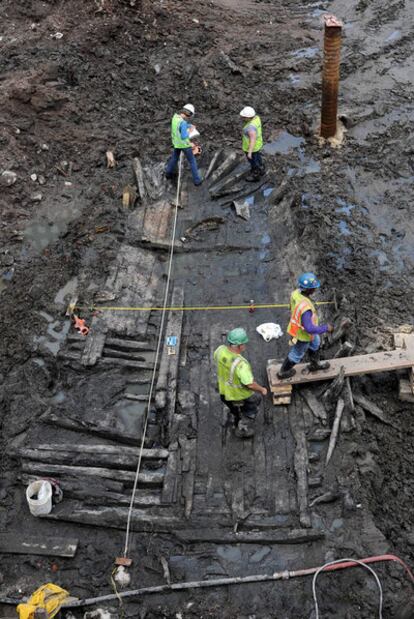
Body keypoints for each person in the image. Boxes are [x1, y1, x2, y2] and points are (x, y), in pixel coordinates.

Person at [277, 272, 334, 379]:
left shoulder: (296, 293)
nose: (315, 289)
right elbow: (309, 328)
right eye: (313, 288)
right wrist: (326, 328)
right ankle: (283, 372)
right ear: (308, 289)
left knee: (316, 343)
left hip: (303, 328)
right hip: (303, 333)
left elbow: (292, 307)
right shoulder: (306, 308)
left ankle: (314, 364)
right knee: (297, 353)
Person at [213, 327, 267, 438]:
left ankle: (237, 416)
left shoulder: (219, 350)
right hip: (238, 395)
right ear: (239, 346)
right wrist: (262, 389)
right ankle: (242, 428)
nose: (245, 346)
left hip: (224, 392)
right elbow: (250, 384)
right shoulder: (241, 365)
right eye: (244, 344)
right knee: (253, 406)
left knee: (233, 408)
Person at [165, 103, 202, 186]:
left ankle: (168, 174)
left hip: (176, 143)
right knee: (192, 161)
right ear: (188, 113)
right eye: (190, 115)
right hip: (184, 145)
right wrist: (190, 143)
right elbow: (184, 136)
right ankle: (197, 180)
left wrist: (189, 126)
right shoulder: (183, 123)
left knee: (174, 158)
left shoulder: (175, 117)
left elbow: (179, 126)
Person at [240, 106, 265, 182]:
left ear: (248, 118)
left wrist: (249, 152)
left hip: (252, 148)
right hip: (258, 144)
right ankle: (261, 168)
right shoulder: (256, 118)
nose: (242, 118)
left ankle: (256, 175)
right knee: (258, 157)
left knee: (253, 162)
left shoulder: (250, 128)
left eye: (244, 117)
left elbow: (252, 140)